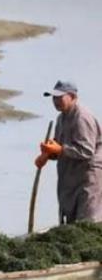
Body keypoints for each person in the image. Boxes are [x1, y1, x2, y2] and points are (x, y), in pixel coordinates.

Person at [35, 80, 102, 223]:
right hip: (70, 176)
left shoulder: (82, 117)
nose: (55, 101)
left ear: (72, 96)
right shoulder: (61, 118)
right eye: (53, 98)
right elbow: (58, 145)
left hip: (88, 177)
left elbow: (86, 151)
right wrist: (47, 155)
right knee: (70, 217)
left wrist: (60, 149)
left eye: (59, 97)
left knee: (87, 222)